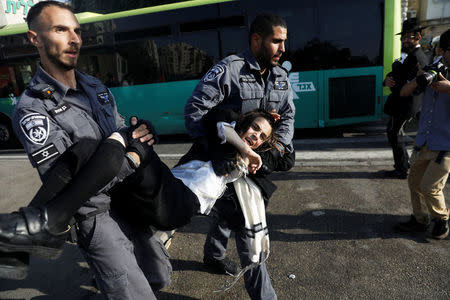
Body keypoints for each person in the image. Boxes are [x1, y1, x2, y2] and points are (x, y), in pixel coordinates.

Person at [0, 2, 171, 299]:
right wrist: (132, 156)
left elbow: (119, 130)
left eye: (77, 31)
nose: (75, 38)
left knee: (160, 275)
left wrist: (139, 133)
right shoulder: (33, 109)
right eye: (60, 29)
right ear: (35, 38)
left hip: (130, 202)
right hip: (97, 216)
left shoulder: (94, 86)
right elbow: (72, 181)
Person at [184, 13, 295, 300]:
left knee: (226, 212)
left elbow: (287, 117)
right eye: (277, 41)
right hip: (225, 163)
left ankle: (213, 256)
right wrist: (222, 154)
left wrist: (273, 152)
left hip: (253, 166)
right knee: (251, 234)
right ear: (257, 40)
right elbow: (195, 112)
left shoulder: (281, 76)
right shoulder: (230, 70)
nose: (283, 49)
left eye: (285, 42)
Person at [395, 29, 450, 240]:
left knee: (430, 187)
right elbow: (404, 92)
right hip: (425, 140)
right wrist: (420, 79)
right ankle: (420, 220)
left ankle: (441, 220)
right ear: (441, 50)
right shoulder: (433, 68)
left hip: (446, 144)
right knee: (414, 182)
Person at [382, 18, 430, 179]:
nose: (405, 40)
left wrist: (394, 82)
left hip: (407, 103)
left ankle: (402, 169)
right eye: (403, 37)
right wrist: (387, 80)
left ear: (418, 37)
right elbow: (395, 71)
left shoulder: (418, 57)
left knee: (395, 134)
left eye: (409, 37)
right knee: (393, 132)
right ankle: (402, 165)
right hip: (399, 102)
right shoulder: (406, 54)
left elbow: (410, 83)